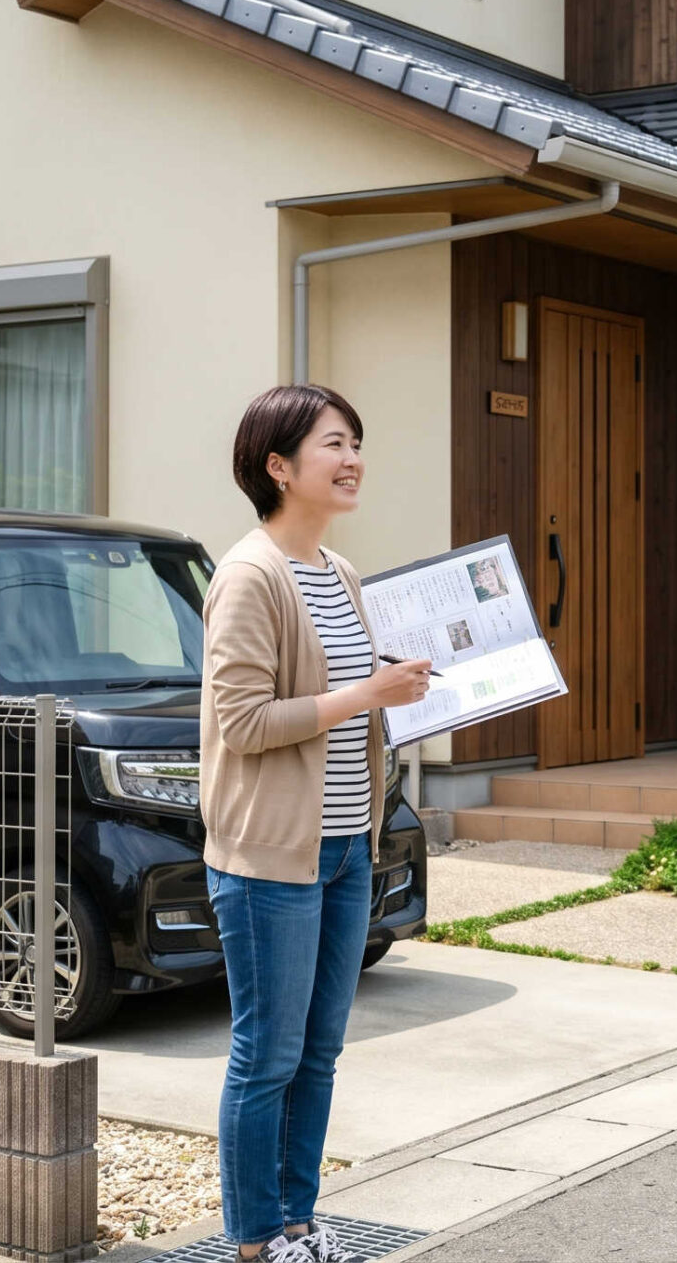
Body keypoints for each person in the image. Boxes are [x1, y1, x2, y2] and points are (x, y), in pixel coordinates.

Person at [200, 384, 429, 1263]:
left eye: (357, 440)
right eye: (335, 442)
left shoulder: (342, 575)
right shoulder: (249, 574)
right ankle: (256, 1240)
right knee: (267, 1054)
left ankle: (299, 1220)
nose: (353, 457)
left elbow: (343, 702)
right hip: (267, 858)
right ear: (279, 466)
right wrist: (368, 693)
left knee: (320, 1051)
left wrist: (395, 689)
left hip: (343, 849)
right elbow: (248, 721)